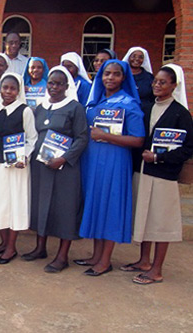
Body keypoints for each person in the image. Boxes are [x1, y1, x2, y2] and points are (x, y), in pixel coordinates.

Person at [122, 65, 193, 284]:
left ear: (174, 85)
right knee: (145, 218)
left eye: (163, 82)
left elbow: (187, 148)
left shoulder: (181, 113)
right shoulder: (147, 108)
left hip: (163, 175)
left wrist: (159, 158)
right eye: (155, 82)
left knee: (160, 223)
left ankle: (157, 269)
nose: (157, 85)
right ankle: (144, 261)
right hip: (142, 172)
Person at [76, 60, 145, 276]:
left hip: (114, 163)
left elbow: (138, 140)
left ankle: (105, 261)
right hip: (92, 162)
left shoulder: (129, 103)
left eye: (116, 74)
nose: (110, 78)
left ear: (124, 78)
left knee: (109, 207)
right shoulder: (94, 101)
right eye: (107, 74)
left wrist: (105, 136)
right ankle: (96, 256)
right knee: (96, 205)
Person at [25, 66, 88, 273]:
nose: (54, 87)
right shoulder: (40, 108)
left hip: (64, 169)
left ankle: (62, 256)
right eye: (51, 83)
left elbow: (82, 138)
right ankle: (40, 248)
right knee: (42, 206)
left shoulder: (74, 108)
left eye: (59, 83)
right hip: (41, 167)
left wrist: (63, 158)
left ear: (66, 86)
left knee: (64, 209)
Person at [0, 72, 37, 264]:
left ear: (18, 91)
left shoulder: (25, 111)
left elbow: (32, 138)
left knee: (15, 203)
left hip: (17, 167)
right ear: (0, 89)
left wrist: (24, 156)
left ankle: (11, 247)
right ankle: (3, 242)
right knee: (1, 204)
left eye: (12, 88)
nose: (8, 91)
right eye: (5, 88)